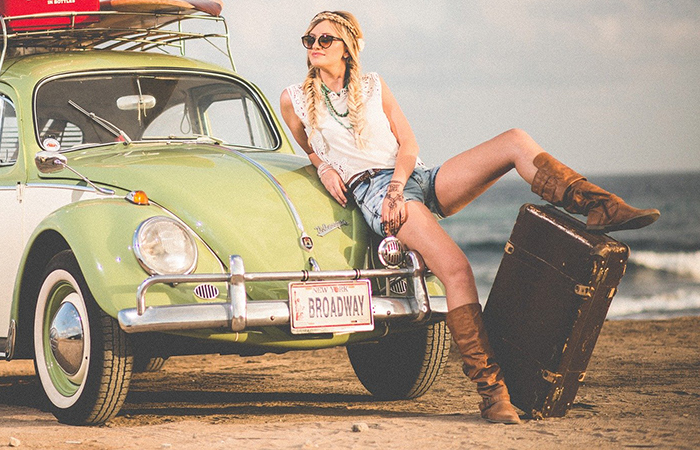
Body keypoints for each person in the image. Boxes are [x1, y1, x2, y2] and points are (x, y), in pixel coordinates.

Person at [279, 10, 659, 424]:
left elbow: (407, 144)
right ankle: (493, 393)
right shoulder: (294, 98)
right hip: (374, 193)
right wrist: (324, 167)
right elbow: (311, 147)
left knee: (514, 140)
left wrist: (399, 184)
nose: (314, 46)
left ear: (348, 49)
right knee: (457, 270)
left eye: (324, 40)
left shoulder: (373, 86)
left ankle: (597, 205)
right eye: (309, 39)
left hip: (412, 178)